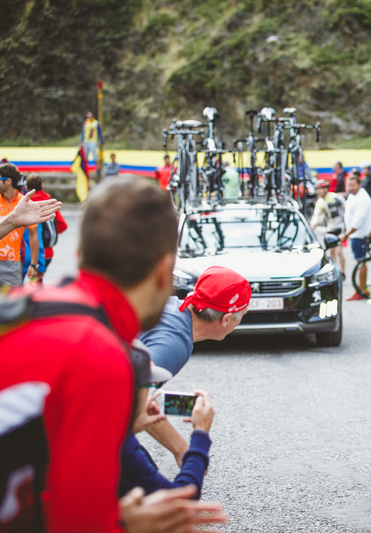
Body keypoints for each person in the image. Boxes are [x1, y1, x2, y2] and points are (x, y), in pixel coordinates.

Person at [0, 176, 226, 531]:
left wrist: (11, 221)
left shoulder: (20, 304)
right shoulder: (101, 358)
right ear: (164, 271)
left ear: (78, 256)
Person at [120, 356, 216, 499]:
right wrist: (200, 433)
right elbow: (181, 499)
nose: (149, 394)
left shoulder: (102, 433)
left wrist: (129, 424)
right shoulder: (123, 450)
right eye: (148, 386)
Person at [0, 163, 39, 287]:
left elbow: (34, 236)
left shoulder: (25, 203)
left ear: (8, 182)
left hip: (12, 262)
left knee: (12, 303)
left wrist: (34, 264)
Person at [25, 174, 68, 283]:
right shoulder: (49, 202)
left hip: (30, 252)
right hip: (48, 252)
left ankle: (33, 298)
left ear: (27, 187)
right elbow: (63, 225)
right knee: (37, 281)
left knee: (32, 281)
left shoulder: (28, 204)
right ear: (42, 185)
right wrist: (48, 233)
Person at [341, 175, 371, 300]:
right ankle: (363, 288)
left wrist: (345, 235)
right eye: (348, 185)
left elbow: (358, 222)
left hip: (359, 235)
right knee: (359, 262)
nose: (350, 188)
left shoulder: (362, 199)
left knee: (361, 262)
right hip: (355, 234)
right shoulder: (353, 195)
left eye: (353, 185)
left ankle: (360, 290)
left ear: (359, 184)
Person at [310, 180, 346, 274]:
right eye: (317, 190)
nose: (318, 192)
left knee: (339, 251)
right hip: (330, 228)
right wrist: (312, 225)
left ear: (326, 189)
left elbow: (346, 209)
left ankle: (343, 271)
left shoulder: (335, 197)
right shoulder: (320, 202)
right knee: (332, 252)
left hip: (340, 227)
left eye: (320, 189)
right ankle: (337, 271)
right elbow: (316, 216)